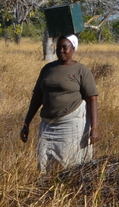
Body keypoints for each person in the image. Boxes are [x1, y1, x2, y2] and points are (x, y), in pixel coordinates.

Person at [20, 34, 98, 172]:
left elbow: (92, 99)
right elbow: (37, 97)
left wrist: (94, 128)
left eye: (65, 47)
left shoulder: (81, 71)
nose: (61, 51)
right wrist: (27, 123)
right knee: (43, 164)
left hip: (71, 123)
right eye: (58, 48)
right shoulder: (47, 69)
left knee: (70, 166)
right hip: (47, 124)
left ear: (73, 48)